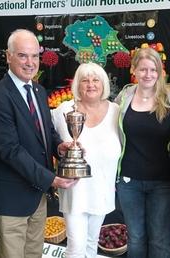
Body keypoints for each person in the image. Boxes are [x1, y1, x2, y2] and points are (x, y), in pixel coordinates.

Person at [0, 29, 77, 258]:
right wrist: (51, 179)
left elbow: (46, 130)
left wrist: (59, 146)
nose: (30, 62)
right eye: (23, 55)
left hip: (37, 197)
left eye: (35, 56)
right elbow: (10, 150)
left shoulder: (38, 89)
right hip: (11, 200)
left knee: (34, 255)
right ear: (8, 56)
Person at [114, 47, 170, 258]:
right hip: (128, 182)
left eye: (153, 69)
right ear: (134, 70)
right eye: (143, 69)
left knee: (160, 241)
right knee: (135, 239)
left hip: (163, 182)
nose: (148, 74)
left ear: (160, 71)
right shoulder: (124, 96)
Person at [51, 62, 121, 258]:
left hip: (102, 192)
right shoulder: (63, 111)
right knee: (75, 249)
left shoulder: (116, 111)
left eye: (95, 80)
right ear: (77, 85)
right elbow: (47, 140)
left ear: (103, 84)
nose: (91, 84)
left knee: (91, 246)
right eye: (85, 80)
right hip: (74, 193)